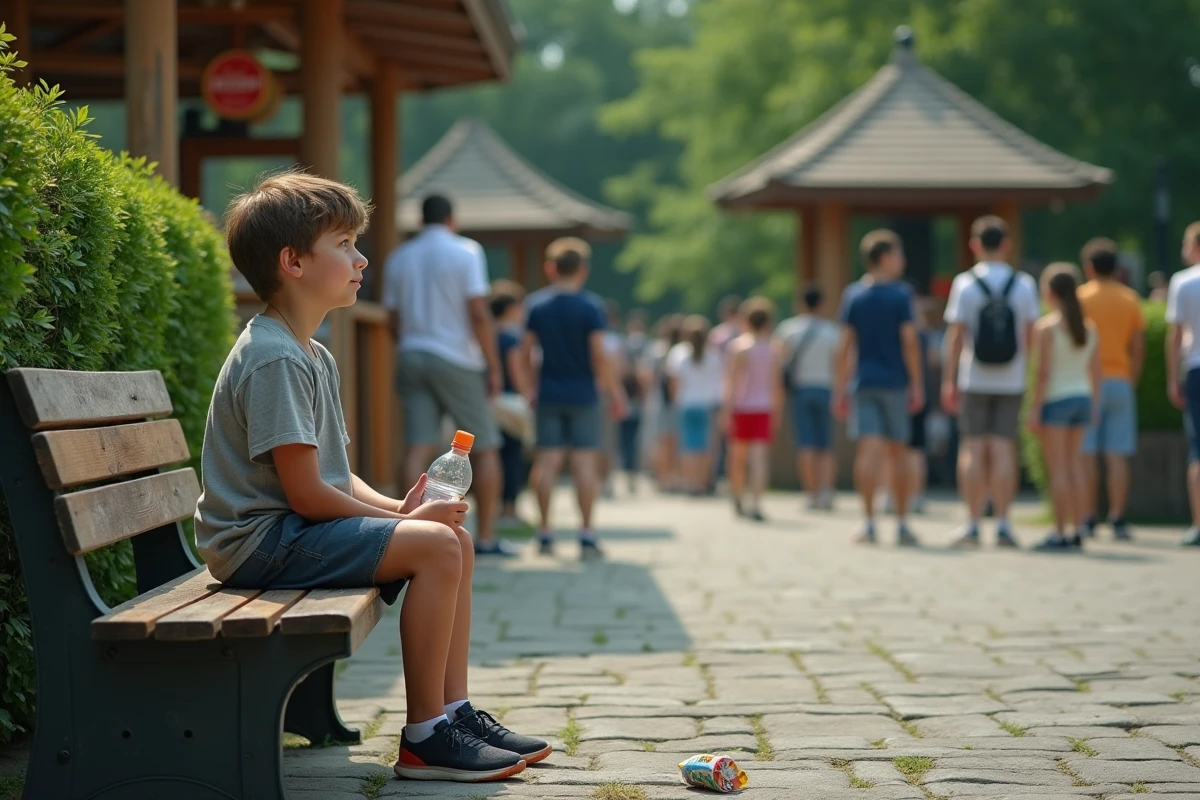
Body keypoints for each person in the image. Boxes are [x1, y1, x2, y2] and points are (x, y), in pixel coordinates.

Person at [197, 173, 547, 782]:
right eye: (345, 245)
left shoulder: (310, 350)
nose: (362, 260)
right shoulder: (275, 356)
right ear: (293, 261)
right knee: (437, 543)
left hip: (286, 534)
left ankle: (453, 713)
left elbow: (333, 474)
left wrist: (396, 506)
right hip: (259, 544)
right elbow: (306, 494)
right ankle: (425, 738)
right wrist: (405, 522)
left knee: (452, 540)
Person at [383, 194, 513, 556]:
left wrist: (409, 343)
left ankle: (407, 530)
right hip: (456, 356)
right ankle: (486, 537)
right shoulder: (466, 251)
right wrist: (493, 365)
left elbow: (392, 319)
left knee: (418, 444)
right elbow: (478, 312)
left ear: (421, 220)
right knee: (484, 446)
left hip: (412, 352)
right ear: (451, 219)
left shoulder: (400, 257)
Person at [523, 238, 628, 558]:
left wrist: (530, 386)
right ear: (583, 270)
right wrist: (615, 391)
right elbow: (600, 354)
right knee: (585, 463)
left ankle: (544, 532)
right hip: (583, 394)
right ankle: (586, 533)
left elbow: (524, 351)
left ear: (550, 268)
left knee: (547, 462)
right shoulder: (591, 307)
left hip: (549, 393)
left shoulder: (537, 305)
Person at [942, 216, 1040, 548]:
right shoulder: (1024, 284)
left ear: (974, 245)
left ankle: (971, 523)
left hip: (974, 376)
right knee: (1002, 448)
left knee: (972, 447)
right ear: (1007, 243)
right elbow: (1030, 337)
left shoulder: (965, 284)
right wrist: (1029, 376)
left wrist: (948, 379)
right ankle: (1002, 523)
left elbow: (956, 336)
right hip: (1011, 379)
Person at [833, 230, 924, 545]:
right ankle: (901, 522)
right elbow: (909, 342)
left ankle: (868, 522)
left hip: (863, 383)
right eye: (898, 254)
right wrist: (917, 383)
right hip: (896, 383)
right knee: (898, 454)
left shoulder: (853, 295)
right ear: (884, 257)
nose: (902, 260)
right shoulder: (901, 295)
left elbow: (845, 346)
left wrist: (840, 388)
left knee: (867, 453)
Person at [1028, 264, 1100, 551]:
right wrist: (1094, 404)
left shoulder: (1046, 327)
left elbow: (1042, 373)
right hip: (1082, 397)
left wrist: (1034, 409)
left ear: (1050, 292)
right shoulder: (1089, 327)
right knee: (1075, 467)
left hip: (1056, 400)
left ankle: (1059, 531)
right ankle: (1079, 526)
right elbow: (1096, 372)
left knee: (1057, 469)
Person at [1078, 238, 1145, 541]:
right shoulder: (1130, 298)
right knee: (1117, 455)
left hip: (1087, 382)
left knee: (1088, 454)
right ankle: (1118, 516)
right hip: (1120, 380)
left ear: (1089, 267)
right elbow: (1138, 347)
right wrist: (1131, 378)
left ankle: (1088, 516)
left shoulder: (1080, 298)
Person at [775, 286, 840, 510]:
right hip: (826, 389)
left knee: (806, 443)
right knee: (826, 444)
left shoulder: (788, 330)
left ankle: (810, 493)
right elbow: (839, 364)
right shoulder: (832, 332)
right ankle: (826, 491)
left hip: (801, 390)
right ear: (821, 304)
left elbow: (780, 362)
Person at [724, 298, 782, 521]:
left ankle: (737, 495)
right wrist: (776, 412)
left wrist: (726, 410)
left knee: (738, 458)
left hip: (741, 407)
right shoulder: (774, 348)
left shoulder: (739, 347)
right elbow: (776, 385)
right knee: (759, 458)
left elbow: (731, 382)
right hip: (764, 407)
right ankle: (757, 503)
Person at [1166, 221, 1200, 547]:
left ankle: (1198, 522)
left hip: (1196, 368)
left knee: (1198, 451)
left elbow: (1176, 336)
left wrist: (1171, 378)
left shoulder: (1184, 282)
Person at [489, 282, 533, 529]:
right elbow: (517, 372)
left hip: (489, 401)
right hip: (510, 403)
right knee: (513, 455)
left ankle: (494, 506)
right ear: (510, 309)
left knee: (493, 454)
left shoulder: (486, 334)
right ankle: (510, 507)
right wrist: (528, 393)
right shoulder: (510, 337)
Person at [667, 315, 724, 494]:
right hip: (707, 405)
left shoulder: (678, 353)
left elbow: (674, 383)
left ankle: (691, 482)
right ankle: (702, 482)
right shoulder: (714, 356)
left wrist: (676, 400)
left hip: (687, 404)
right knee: (706, 446)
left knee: (689, 445)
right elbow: (719, 383)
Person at [617, 309, 652, 494]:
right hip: (636, 402)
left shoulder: (621, 346)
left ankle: (628, 472)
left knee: (625, 440)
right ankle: (632, 473)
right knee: (634, 440)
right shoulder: (646, 348)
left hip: (624, 400)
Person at [649, 314, 684, 492]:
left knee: (661, 442)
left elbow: (648, 377)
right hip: (679, 402)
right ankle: (676, 478)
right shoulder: (683, 352)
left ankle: (663, 479)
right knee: (677, 443)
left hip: (660, 401)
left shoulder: (657, 351)